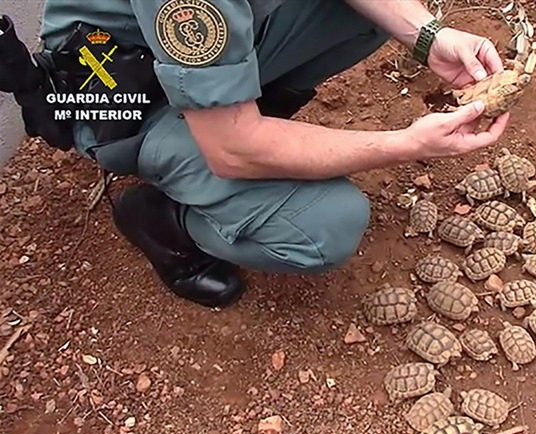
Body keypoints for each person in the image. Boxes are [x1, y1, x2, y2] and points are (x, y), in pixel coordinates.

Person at [27, 0, 510, 307]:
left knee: (360, 13)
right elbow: (234, 149)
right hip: (124, 99)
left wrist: (429, 37)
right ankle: (163, 220)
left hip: (192, 70)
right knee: (326, 227)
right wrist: (406, 144)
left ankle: (246, 107)